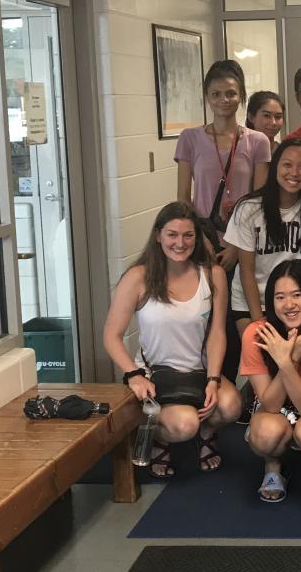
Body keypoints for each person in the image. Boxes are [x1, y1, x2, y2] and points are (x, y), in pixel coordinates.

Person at [102, 201, 242, 477]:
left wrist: (213, 379)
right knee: (185, 424)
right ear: (158, 235)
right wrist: (133, 375)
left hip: (198, 372)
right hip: (155, 376)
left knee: (231, 406)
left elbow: (217, 332)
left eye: (188, 235)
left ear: (197, 238)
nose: (180, 243)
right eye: (172, 235)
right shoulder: (138, 277)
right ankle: (158, 437)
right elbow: (111, 335)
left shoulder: (212, 274)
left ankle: (206, 434)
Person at [238, 260, 301, 504]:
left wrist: (287, 361)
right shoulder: (256, 333)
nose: (289, 305)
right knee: (264, 436)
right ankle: (273, 466)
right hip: (276, 406)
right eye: (280, 297)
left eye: (297, 295)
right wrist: (291, 359)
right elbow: (271, 404)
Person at [221, 137, 301, 324]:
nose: (294, 173)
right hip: (252, 300)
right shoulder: (248, 208)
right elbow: (246, 271)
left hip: (293, 299)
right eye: (287, 165)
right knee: (255, 342)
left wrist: (295, 307)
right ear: (275, 166)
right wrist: (259, 322)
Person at [175, 60, 271, 231]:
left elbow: (259, 200)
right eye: (216, 94)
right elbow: (183, 197)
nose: (224, 100)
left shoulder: (258, 141)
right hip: (204, 234)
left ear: (241, 95)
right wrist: (198, 237)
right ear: (207, 97)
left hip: (244, 235)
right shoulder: (189, 138)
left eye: (231, 93)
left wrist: (239, 242)